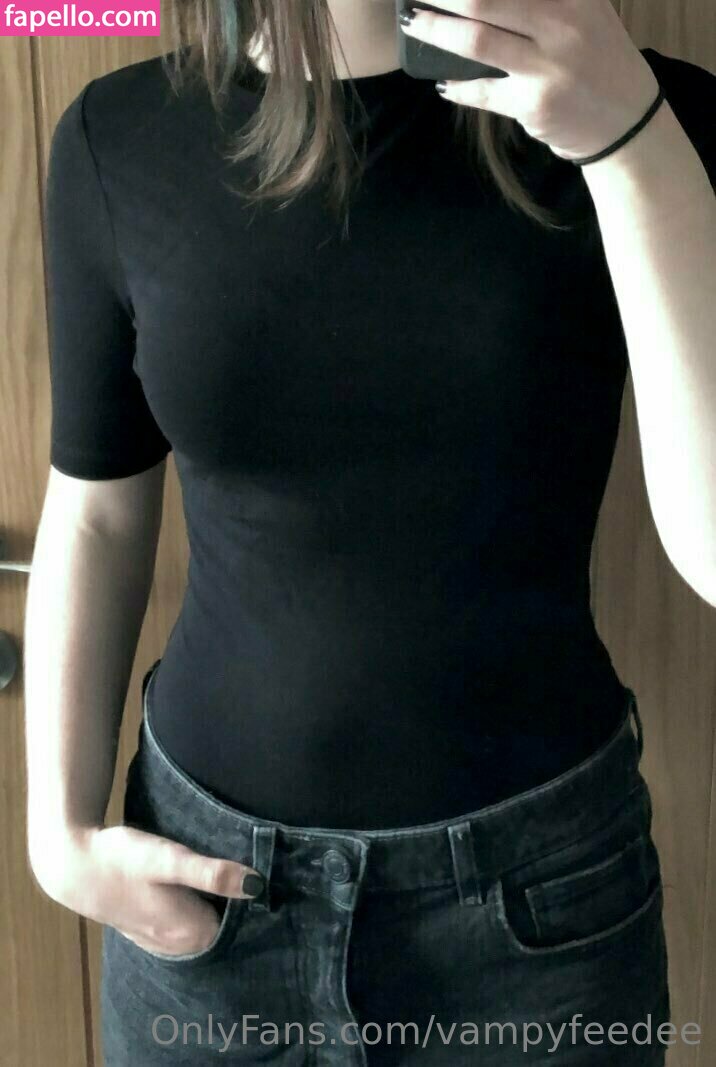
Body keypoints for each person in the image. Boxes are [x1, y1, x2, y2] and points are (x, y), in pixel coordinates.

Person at [25, 1, 715, 1063]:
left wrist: (633, 146)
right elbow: (98, 507)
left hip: (539, 911)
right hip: (209, 905)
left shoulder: (652, 116)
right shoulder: (117, 137)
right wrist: (59, 833)